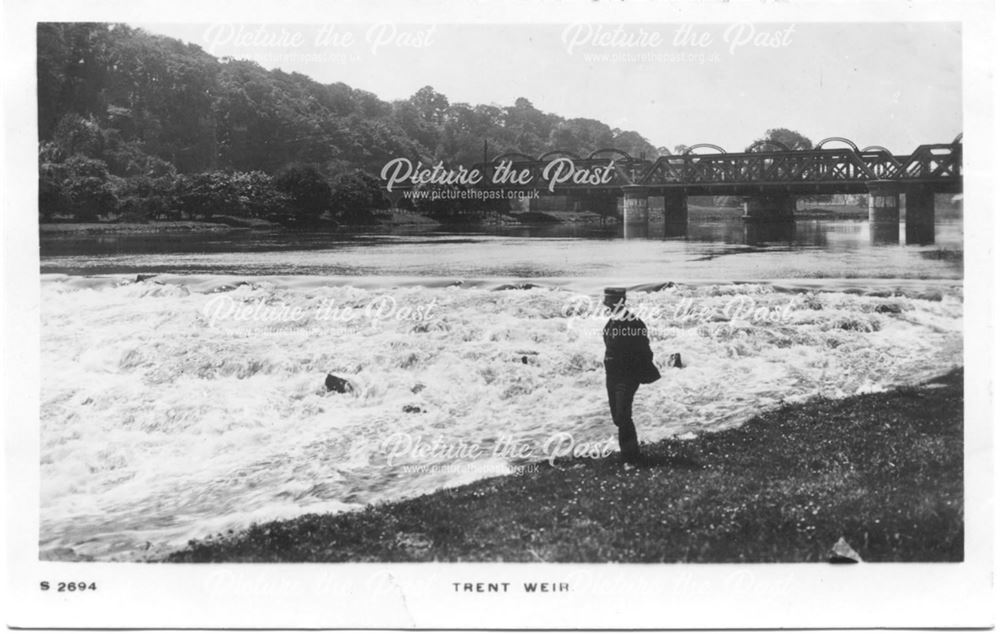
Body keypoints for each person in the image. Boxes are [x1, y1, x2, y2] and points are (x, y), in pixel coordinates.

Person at [602, 287, 660, 464]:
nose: (605, 304)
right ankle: (629, 453)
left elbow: (644, 350)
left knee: (622, 415)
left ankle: (631, 456)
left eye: (608, 301)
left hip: (626, 376)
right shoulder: (613, 320)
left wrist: (636, 372)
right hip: (612, 375)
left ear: (617, 302)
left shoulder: (633, 323)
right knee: (618, 416)